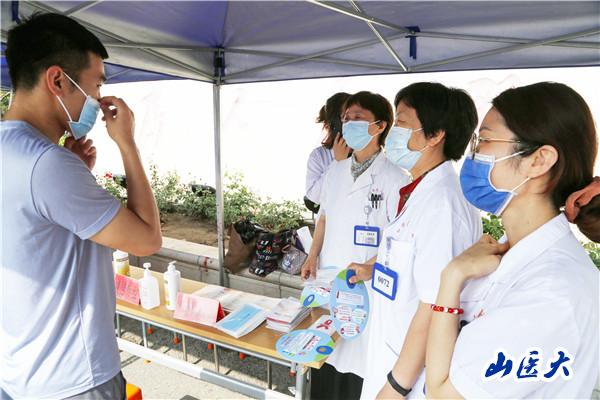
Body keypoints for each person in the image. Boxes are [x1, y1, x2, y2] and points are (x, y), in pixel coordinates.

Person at [1, 13, 162, 399]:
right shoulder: (47, 165)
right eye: (96, 85)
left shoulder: (20, 155)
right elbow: (147, 239)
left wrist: (74, 171)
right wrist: (127, 143)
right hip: (74, 378)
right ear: (57, 80)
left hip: (18, 372)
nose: (99, 100)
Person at [425, 82, 599, 398]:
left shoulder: (552, 291)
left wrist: (451, 278)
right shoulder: (512, 253)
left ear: (539, 160)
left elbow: (442, 394)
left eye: (485, 140)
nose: (473, 153)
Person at [347, 82, 482, 399]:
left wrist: (396, 387)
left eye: (403, 122)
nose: (394, 132)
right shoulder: (421, 191)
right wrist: (373, 269)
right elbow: (413, 266)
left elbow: (436, 305)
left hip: (408, 376)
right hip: (391, 351)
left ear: (435, 136)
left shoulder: (443, 206)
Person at [300, 91, 410, 400]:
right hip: (329, 279)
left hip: (367, 289)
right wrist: (311, 256)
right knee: (325, 356)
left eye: (358, 118)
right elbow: (323, 218)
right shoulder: (335, 170)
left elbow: (398, 239)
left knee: (358, 365)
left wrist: (369, 266)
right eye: (346, 118)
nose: (349, 124)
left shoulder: (395, 178)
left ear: (380, 126)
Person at [304, 92, 351, 213]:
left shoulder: (366, 151)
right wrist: (337, 162)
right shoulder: (319, 155)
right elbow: (314, 197)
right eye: (345, 118)